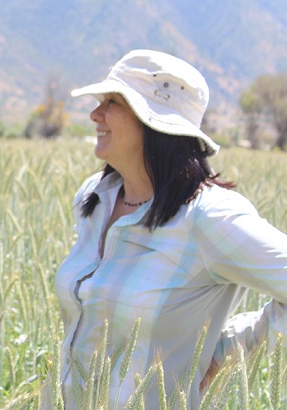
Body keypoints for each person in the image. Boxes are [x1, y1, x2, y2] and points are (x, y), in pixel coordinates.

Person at [43, 49, 287, 409]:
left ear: (154, 122)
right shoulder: (96, 196)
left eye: (113, 102)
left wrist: (226, 349)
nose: (95, 114)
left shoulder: (210, 217)